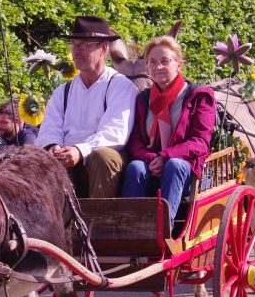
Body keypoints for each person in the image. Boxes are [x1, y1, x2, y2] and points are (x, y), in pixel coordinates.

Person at [35, 15, 138, 198]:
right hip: (67, 160)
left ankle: (101, 215)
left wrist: (80, 150)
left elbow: (115, 133)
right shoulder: (62, 92)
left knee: (102, 157)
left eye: (84, 44)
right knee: (35, 158)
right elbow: (49, 129)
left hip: (104, 163)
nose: (76, 50)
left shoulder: (120, 86)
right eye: (74, 44)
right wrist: (54, 147)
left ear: (103, 49)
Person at [123, 35, 215, 224]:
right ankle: (130, 227)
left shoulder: (198, 96)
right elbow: (135, 141)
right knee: (135, 167)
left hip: (186, 169)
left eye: (165, 61)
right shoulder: (143, 99)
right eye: (153, 62)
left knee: (174, 165)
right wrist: (152, 159)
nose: (158, 67)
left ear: (179, 64)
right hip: (152, 165)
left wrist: (165, 156)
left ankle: (164, 229)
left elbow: (200, 142)